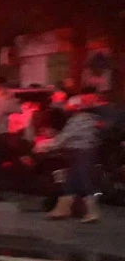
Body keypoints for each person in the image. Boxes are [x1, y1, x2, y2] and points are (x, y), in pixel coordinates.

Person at [36, 94, 102, 222]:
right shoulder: (89, 119)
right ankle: (62, 209)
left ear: (75, 107)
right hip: (82, 151)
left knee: (83, 180)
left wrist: (44, 145)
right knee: (71, 181)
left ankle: (92, 211)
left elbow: (65, 137)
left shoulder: (78, 120)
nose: (66, 109)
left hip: (81, 152)